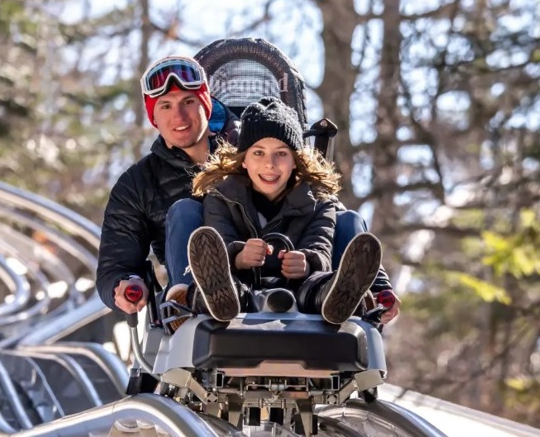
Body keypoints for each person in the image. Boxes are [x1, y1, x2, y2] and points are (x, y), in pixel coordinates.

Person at [168, 96, 401, 325]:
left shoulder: (319, 202)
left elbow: (321, 246)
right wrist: (238, 257)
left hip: (302, 291)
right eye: (258, 153)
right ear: (244, 160)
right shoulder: (221, 197)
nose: (270, 163)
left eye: (281, 153)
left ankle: (340, 298)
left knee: (318, 285)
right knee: (228, 285)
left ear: (294, 161)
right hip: (239, 288)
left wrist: (307, 263)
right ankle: (210, 301)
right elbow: (218, 242)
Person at [95, 55, 217, 315]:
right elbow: (115, 264)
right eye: (165, 106)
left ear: (205, 104)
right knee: (184, 211)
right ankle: (188, 298)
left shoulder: (251, 157)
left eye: (188, 101)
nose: (179, 116)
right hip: (191, 310)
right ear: (154, 117)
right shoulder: (137, 184)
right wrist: (126, 283)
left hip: (260, 293)